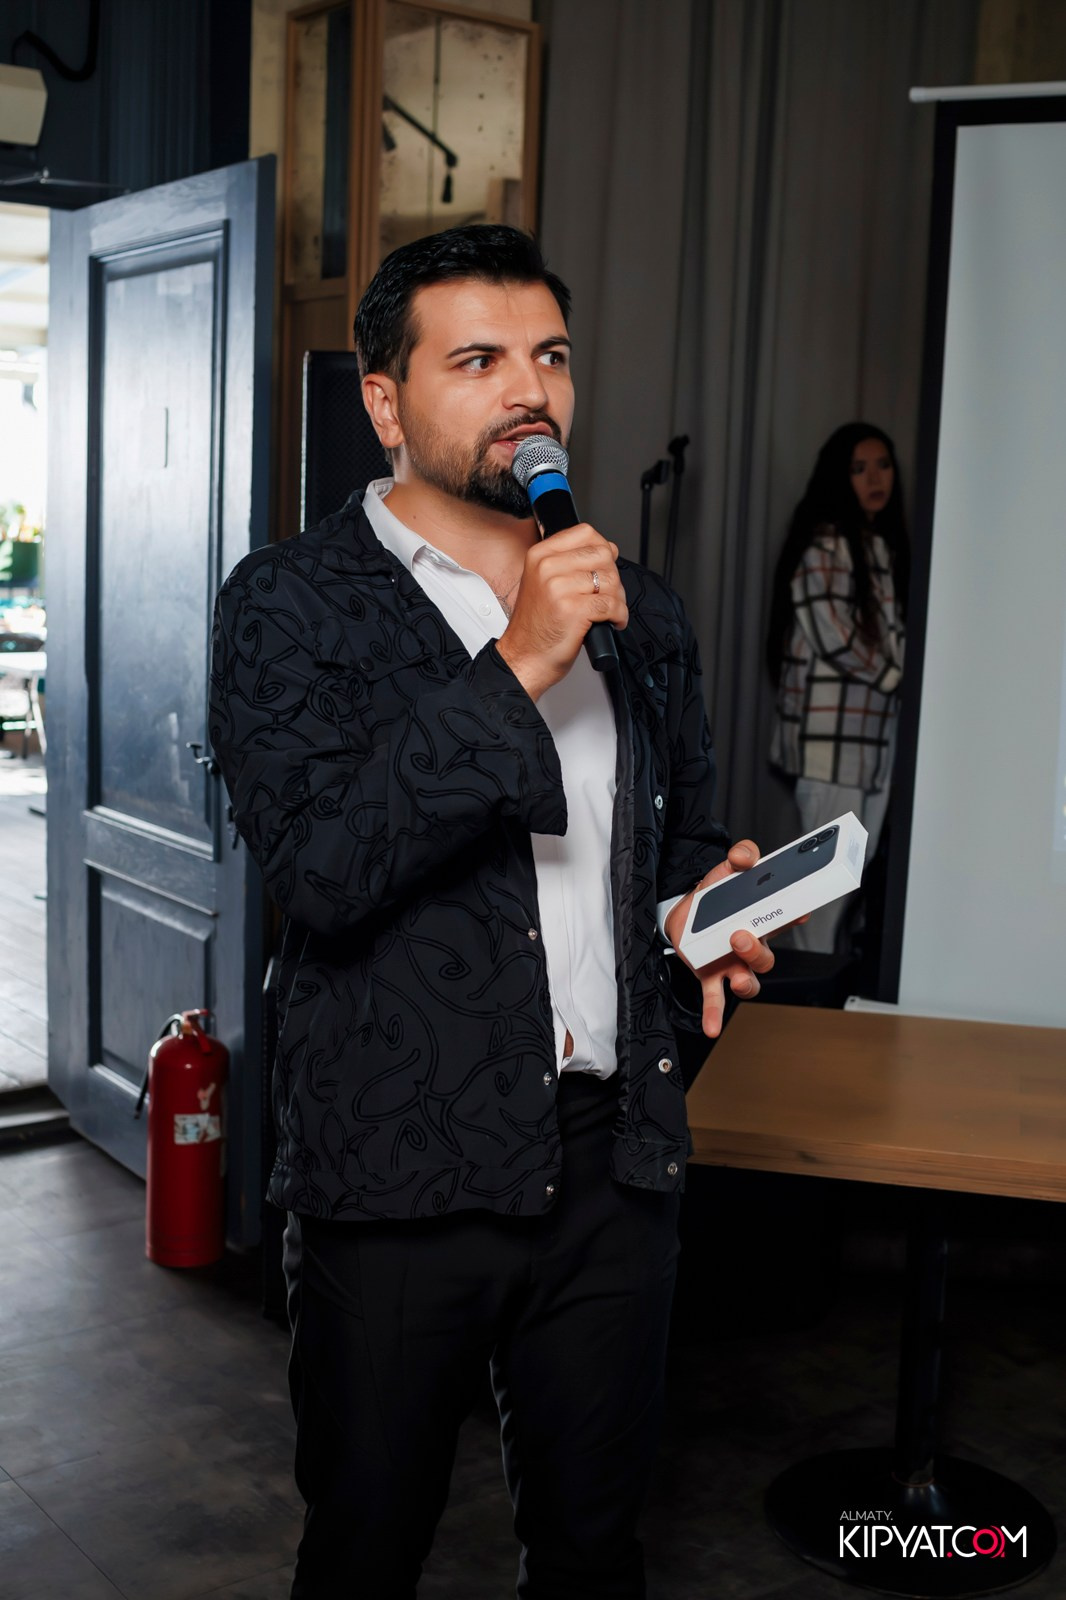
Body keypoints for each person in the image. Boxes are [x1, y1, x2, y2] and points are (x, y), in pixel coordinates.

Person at [209, 224, 776, 1600]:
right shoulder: (288, 605)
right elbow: (322, 869)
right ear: (385, 401)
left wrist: (701, 906)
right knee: (365, 1550)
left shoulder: (639, 609)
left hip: (610, 1164)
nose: (529, 389)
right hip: (394, 1167)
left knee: (591, 1549)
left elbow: (670, 840)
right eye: (477, 360)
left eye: (550, 355)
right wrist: (517, 658)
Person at [766, 422, 909, 954]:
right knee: (821, 893)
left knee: (850, 879)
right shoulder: (827, 543)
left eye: (883, 466)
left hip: (876, 741)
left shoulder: (881, 546)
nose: (875, 479)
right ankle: (806, 994)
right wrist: (899, 678)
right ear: (838, 477)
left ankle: (818, 988)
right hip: (831, 744)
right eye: (859, 469)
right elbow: (834, 633)